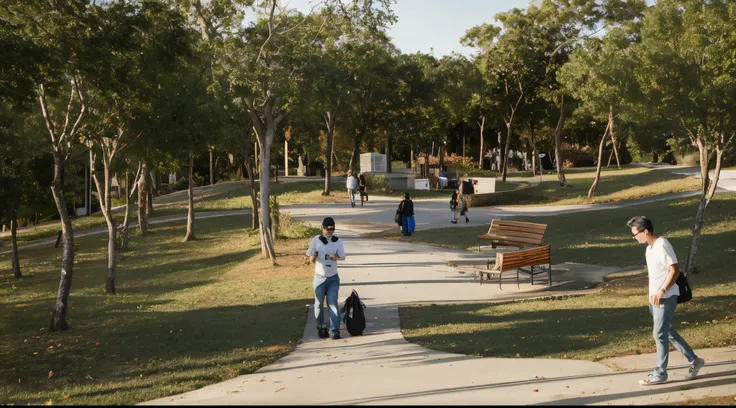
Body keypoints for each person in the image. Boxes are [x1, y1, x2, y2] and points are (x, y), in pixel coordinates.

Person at [627, 216, 705, 386]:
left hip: (666, 298)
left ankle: (660, 373)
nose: (635, 237)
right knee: (668, 332)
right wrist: (652, 295)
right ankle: (694, 360)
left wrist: (661, 291)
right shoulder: (649, 249)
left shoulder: (662, 244)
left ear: (646, 231)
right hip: (654, 300)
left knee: (659, 334)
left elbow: (674, 270)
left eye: (636, 234)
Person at [306, 217, 345, 340]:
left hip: (333, 278)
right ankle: (321, 326)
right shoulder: (316, 240)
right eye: (328, 230)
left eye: (332, 230)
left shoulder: (337, 241)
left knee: (332, 304)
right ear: (322, 228)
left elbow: (343, 257)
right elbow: (309, 260)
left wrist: (335, 257)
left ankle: (335, 331)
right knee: (318, 304)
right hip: (319, 278)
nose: (330, 232)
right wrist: (314, 256)